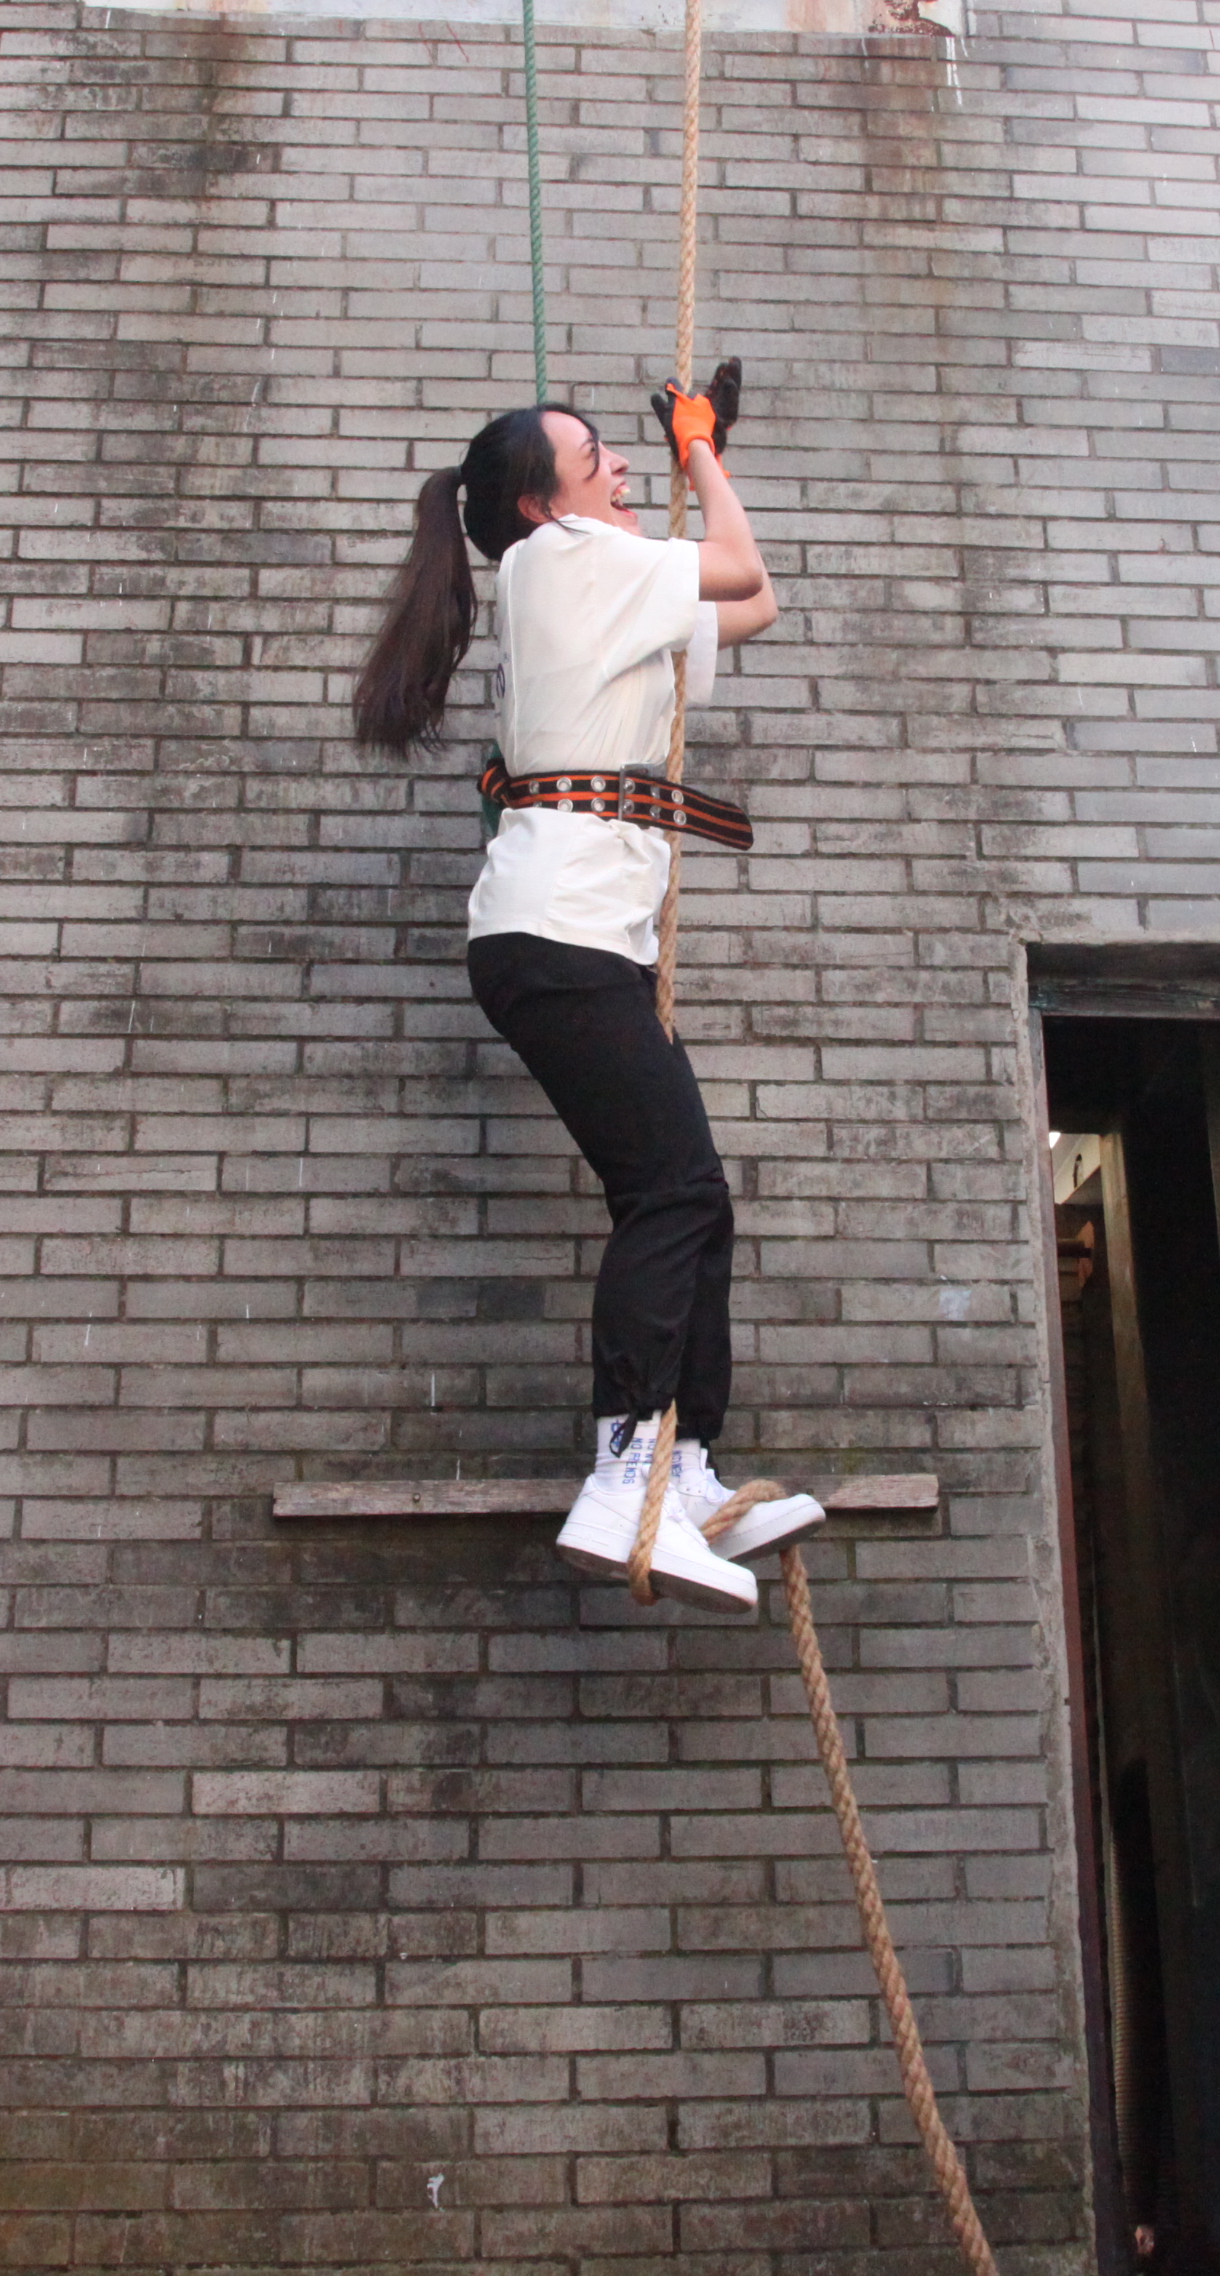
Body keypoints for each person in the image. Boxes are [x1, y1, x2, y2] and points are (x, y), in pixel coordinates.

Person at [354, 375, 823, 1612]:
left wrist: (701, 457)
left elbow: (753, 601)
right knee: (676, 1191)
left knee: (689, 1200)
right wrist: (701, 455)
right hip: (556, 933)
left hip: (574, 940)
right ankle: (624, 1469)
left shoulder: (601, 582)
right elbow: (738, 558)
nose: (619, 466)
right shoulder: (565, 558)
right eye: (595, 453)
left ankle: (686, 1469)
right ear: (540, 501)